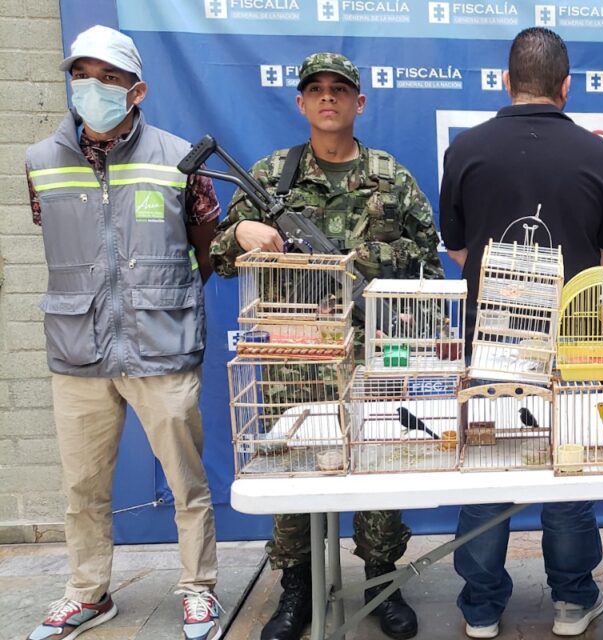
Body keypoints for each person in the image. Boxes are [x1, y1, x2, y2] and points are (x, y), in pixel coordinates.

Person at [209, 53, 442, 640]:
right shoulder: (270, 177)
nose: (328, 98)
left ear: (360, 103)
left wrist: (415, 325)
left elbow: (432, 266)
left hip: (375, 355)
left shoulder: (391, 177)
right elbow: (217, 254)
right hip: (296, 356)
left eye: (340, 89)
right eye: (316, 89)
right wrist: (239, 233)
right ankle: (298, 588)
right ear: (301, 103)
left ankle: (382, 579)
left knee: (379, 470)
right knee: (294, 473)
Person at [23, 25, 223, 640]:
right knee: (81, 488)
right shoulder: (39, 162)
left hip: (161, 345)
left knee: (186, 483)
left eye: (109, 77)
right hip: (79, 349)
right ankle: (88, 592)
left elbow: (206, 250)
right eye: (82, 74)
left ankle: (199, 590)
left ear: (137, 90)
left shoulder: (180, 159)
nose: (93, 87)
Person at [437, 27, 603, 639]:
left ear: (505, 81)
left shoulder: (465, 149)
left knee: (489, 471)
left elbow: (459, 248)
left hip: (489, 339)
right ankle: (572, 602)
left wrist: (509, 288)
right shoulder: (598, 154)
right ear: (566, 87)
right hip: (572, 342)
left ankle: (482, 608)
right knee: (566, 470)